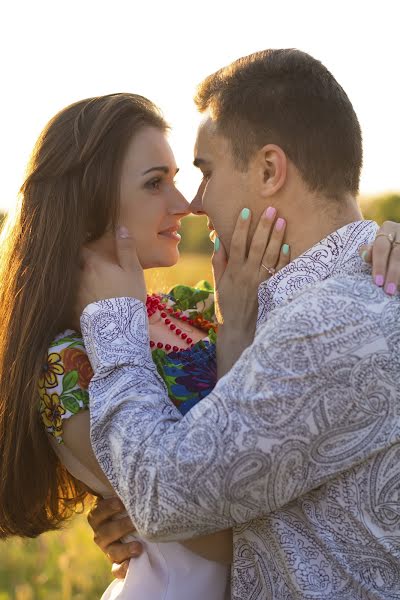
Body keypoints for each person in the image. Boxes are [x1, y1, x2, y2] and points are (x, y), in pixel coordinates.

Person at [73, 49, 400, 599]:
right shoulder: (341, 298)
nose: (195, 202)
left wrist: (113, 322)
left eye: (205, 171)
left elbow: (162, 495)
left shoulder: (327, 325)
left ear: (270, 170)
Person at [0, 92, 293, 600]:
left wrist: (379, 248)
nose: (184, 205)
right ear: (89, 200)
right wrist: (239, 337)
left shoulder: (192, 310)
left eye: (175, 179)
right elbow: (222, 537)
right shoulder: (65, 367)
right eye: (155, 183)